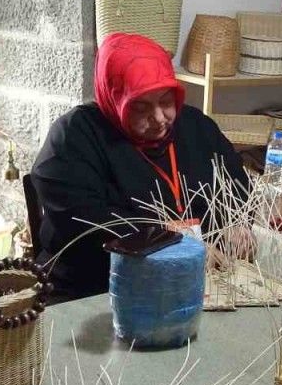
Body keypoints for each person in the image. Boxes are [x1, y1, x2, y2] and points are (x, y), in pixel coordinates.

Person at [32, 33, 250, 300]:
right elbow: (87, 226)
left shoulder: (197, 127)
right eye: (140, 107)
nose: (159, 118)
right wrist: (176, 247)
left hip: (191, 284)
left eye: (166, 101)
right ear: (114, 99)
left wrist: (235, 226)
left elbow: (236, 185)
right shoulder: (73, 137)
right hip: (94, 288)